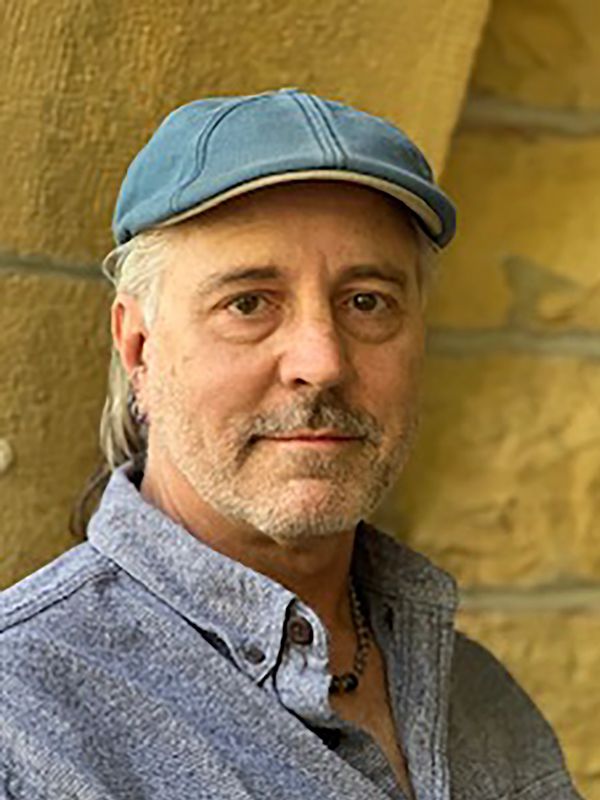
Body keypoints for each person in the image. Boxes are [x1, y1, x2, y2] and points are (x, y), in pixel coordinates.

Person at [0, 89, 582, 800]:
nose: (323, 361)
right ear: (139, 348)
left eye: (367, 301)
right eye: (248, 303)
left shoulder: (483, 697)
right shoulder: (22, 726)